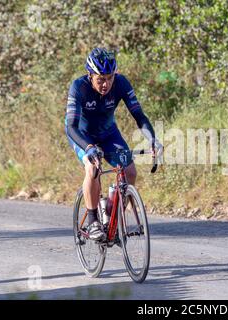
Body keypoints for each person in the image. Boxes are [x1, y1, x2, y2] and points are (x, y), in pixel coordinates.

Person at [65, 48, 161, 240]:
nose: (106, 84)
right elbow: (71, 126)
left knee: (130, 172)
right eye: (100, 79)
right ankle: (93, 221)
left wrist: (152, 139)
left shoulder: (121, 83)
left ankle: (112, 214)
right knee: (93, 168)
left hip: (109, 134)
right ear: (90, 75)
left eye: (110, 78)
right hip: (82, 135)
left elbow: (139, 115)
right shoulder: (79, 87)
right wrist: (89, 147)